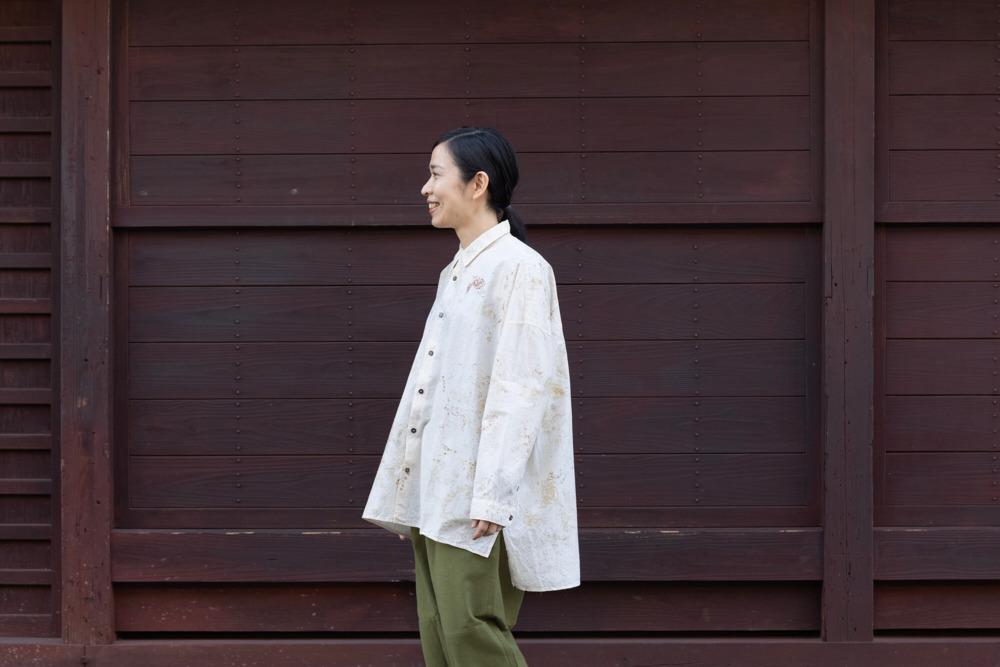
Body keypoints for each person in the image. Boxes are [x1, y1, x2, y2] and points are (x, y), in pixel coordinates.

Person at [362, 126, 580, 666]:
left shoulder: (520, 268)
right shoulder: (457, 271)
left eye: (436, 174)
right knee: (440, 635)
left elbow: (521, 388)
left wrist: (493, 495)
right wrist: (409, 488)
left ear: (478, 183)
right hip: (439, 487)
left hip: (477, 494)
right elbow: (434, 387)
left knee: (470, 631)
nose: (425, 188)